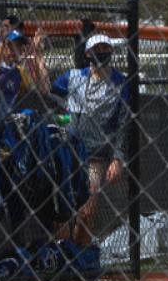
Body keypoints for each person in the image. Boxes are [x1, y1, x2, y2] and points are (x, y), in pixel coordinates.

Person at [52, 34, 129, 245]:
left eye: (106, 47)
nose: (102, 52)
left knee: (87, 210)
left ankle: (80, 256)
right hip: (70, 151)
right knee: (63, 212)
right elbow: (48, 92)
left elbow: (124, 123)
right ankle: (63, 256)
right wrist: (63, 115)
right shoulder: (73, 77)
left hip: (96, 154)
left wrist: (118, 158)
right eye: (97, 48)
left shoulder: (121, 83)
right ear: (87, 53)